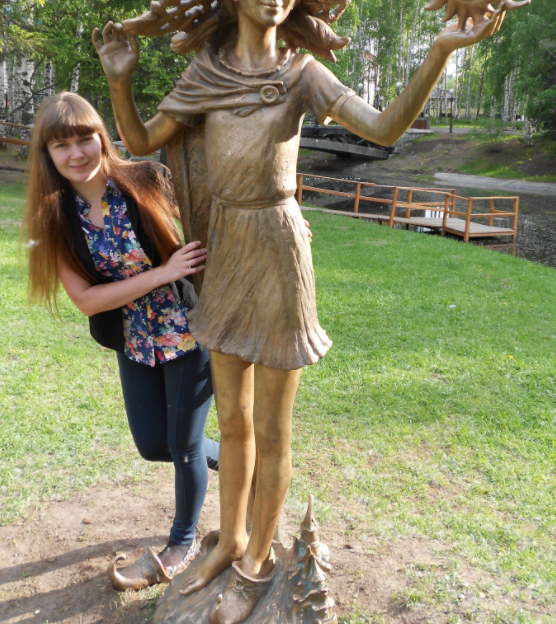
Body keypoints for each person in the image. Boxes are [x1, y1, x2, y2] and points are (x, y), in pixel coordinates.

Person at [92, 0, 529, 620]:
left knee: (272, 429)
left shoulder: (302, 74)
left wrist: (438, 52)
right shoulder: (206, 75)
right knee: (233, 422)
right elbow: (141, 142)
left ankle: (256, 564)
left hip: (279, 251)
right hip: (226, 251)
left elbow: (383, 129)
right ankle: (231, 541)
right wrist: (119, 78)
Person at [22, 92, 220, 591]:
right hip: (134, 338)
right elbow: (87, 301)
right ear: (47, 154)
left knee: (183, 445)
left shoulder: (147, 178)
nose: (76, 153)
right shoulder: (54, 217)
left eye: (84, 138)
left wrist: (284, 224)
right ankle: (237, 456)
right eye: (61, 144)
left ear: (101, 137)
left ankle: (180, 543)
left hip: (188, 327)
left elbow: (217, 209)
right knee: (154, 444)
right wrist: (161, 273)